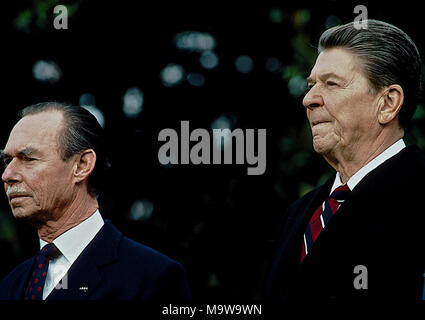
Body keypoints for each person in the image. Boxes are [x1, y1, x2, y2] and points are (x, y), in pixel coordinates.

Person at [266, 20, 425, 300]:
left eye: (331, 84)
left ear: (388, 103)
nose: (309, 99)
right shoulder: (298, 214)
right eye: (312, 84)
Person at [0, 102, 191, 301]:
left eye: (28, 159)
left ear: (82, 165)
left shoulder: (152, 276)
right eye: (7, 161)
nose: (7, 175)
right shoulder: (10, 285)